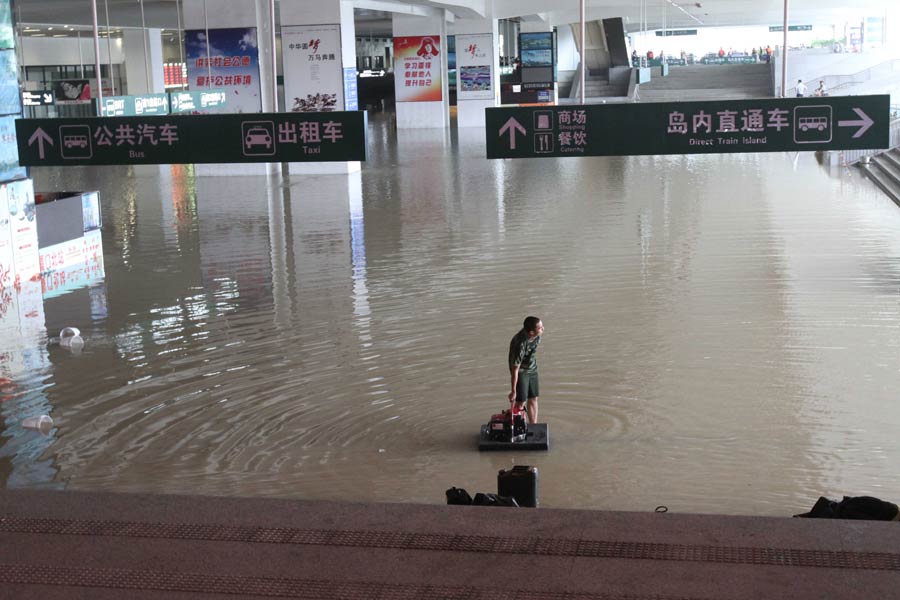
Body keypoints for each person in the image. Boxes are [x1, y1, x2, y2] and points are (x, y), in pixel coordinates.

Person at [508, 316, 544, 425]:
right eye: (540, 328)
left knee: (533, 398)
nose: (543, 329)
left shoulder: (537, 336)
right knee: (521, 401)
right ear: (532, 332)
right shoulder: (520, 343)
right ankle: (518, 427)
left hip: (532, 367)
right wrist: (514, 391)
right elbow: (515, 368)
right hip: (520, 370)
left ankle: (533, 425)